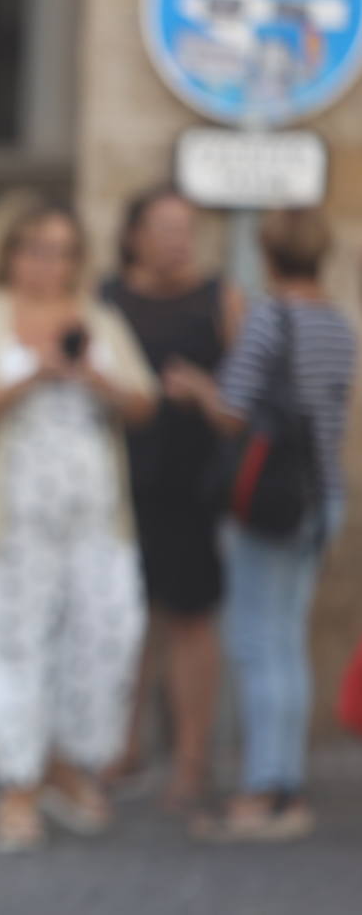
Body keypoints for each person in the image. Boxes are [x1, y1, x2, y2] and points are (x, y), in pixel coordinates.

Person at [0, 189, 157, 853]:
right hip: (7, 519)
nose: (49, 265)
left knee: (108, 631)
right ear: (7, 254)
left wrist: (92, 377)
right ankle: (17, 785)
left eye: (63, 252)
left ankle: (67, 762)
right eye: (35, 250)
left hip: (93, 518)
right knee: (8, 644)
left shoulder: (99, 317)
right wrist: (33, 375)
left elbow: (143, 402)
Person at [165, 208, 355, 841]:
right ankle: (286, 782)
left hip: (270, 500)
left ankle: (266, 790)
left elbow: (233, 411)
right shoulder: (338, 322)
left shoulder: (271, 316)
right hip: (321, 496)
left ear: (269, 256)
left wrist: (194, 387)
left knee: (255, 642)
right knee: (289, 641)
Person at [100, 185, 244, 808]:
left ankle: (191, 762)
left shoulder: (220, 298)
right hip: (116, 483)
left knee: (190, 620)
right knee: (121, 620)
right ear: (134, 235)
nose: (179, 240)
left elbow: (245, 399)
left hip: (190, 484)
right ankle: (119, 751)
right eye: (165, 227)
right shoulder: (104, 299)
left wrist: (204, 390)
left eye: (186, 228)